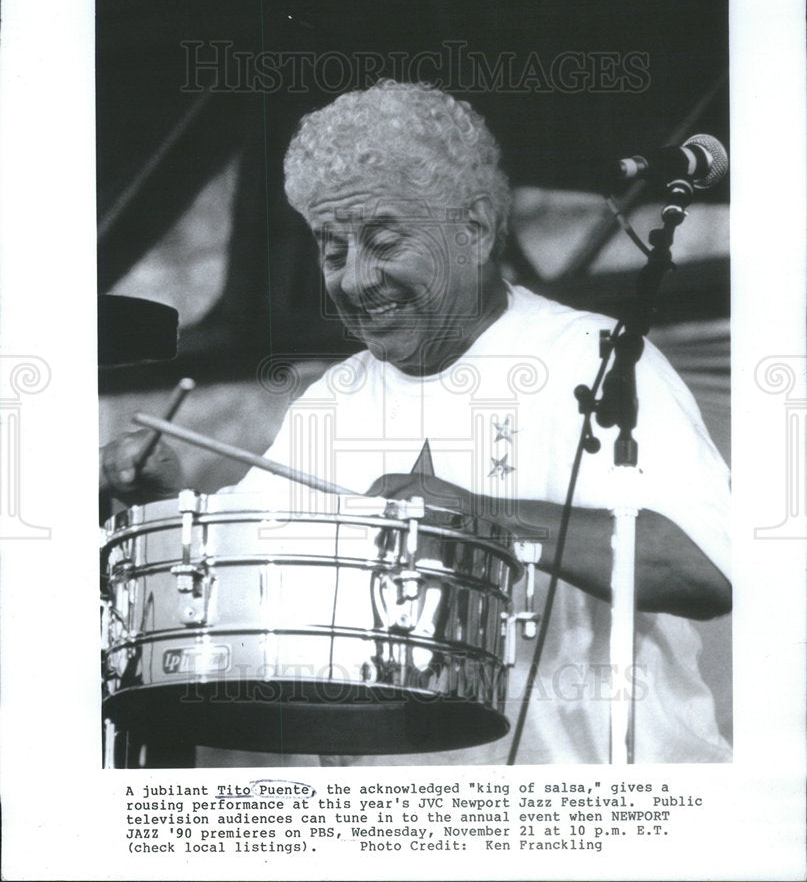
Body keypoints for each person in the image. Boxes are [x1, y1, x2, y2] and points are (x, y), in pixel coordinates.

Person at [102, 80, 732, 764]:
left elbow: (704, 567)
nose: (354, 279)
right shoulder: (331, 402)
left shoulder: (599, 357)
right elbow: (249, 586)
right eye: (332, 249)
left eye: (383, 240)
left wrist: (479, 520)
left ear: (475, 230)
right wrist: (165, 501)